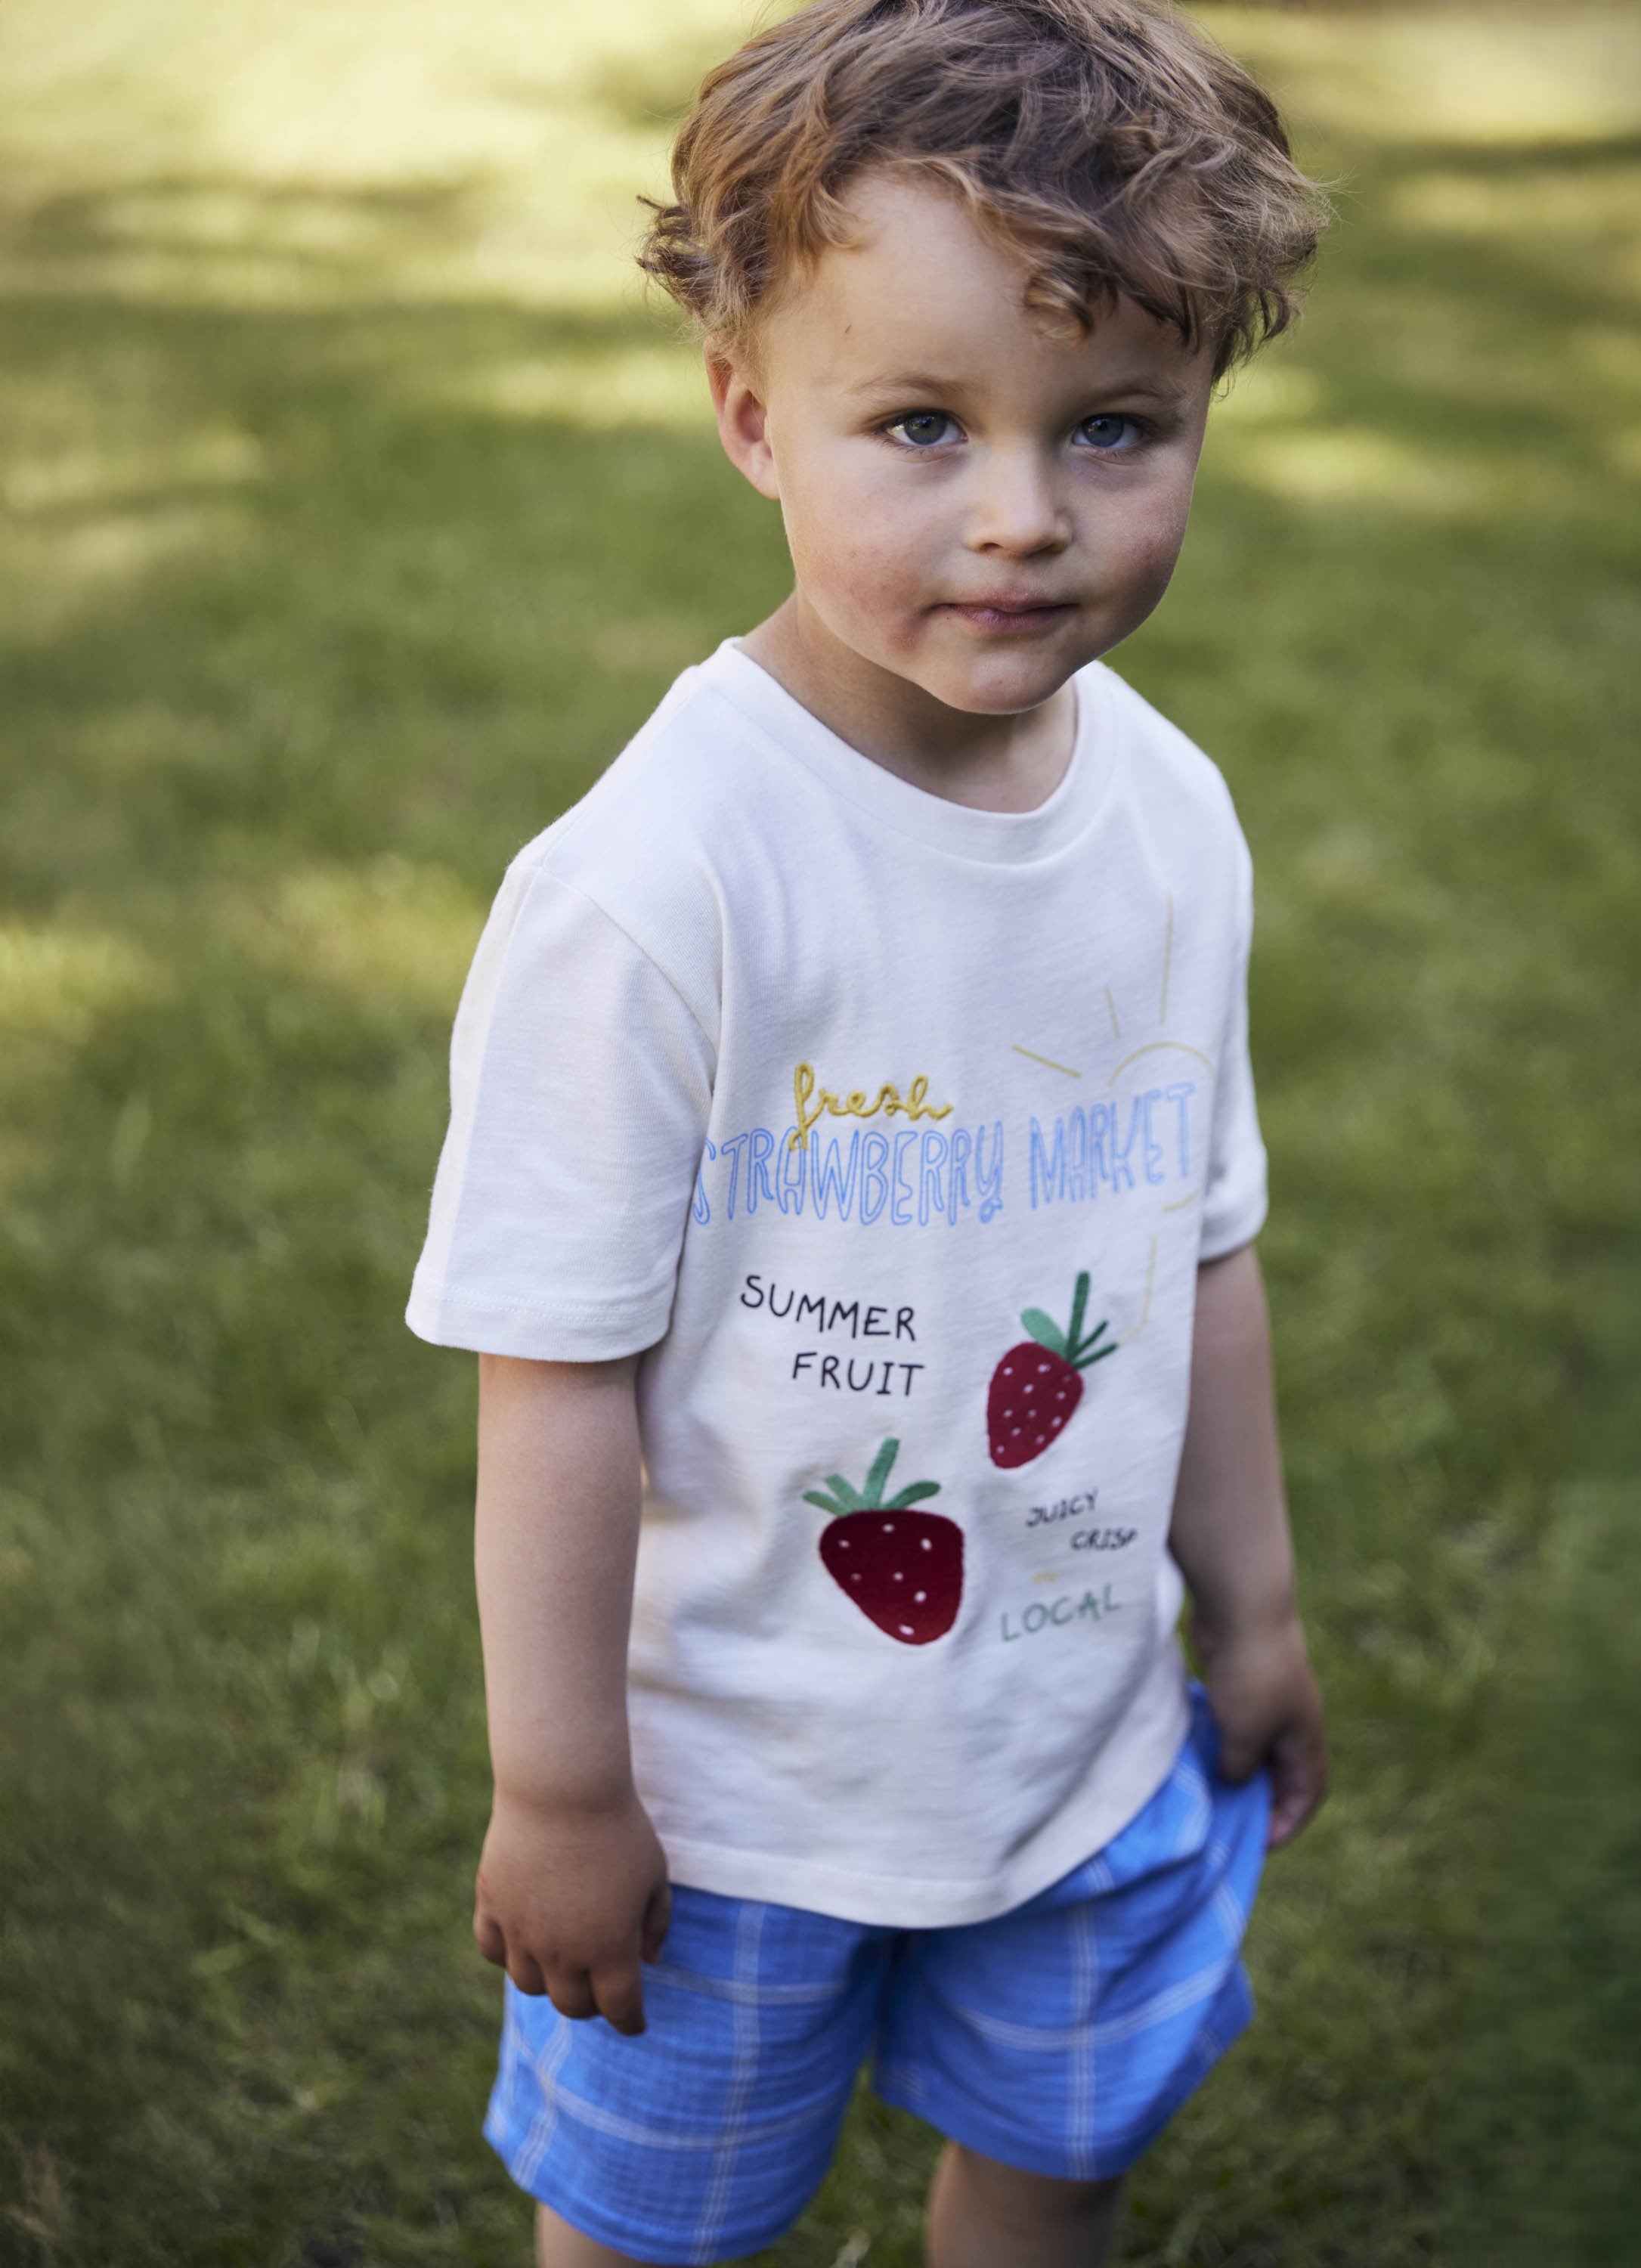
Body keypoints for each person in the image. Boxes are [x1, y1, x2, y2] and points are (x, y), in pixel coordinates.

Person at [406, 1, 1332, 2259]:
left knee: (1055, 2168)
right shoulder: (663, 882)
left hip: (1087, 1743)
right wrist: (564, 1792)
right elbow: (559, 1376)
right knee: (662, 2231)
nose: (1024, 517)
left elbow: (1195, 1249)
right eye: (921, 424)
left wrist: (1263, 1609)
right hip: (729, 1809)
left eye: (1115, 427)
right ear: (751, 413)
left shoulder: (1173, 818)